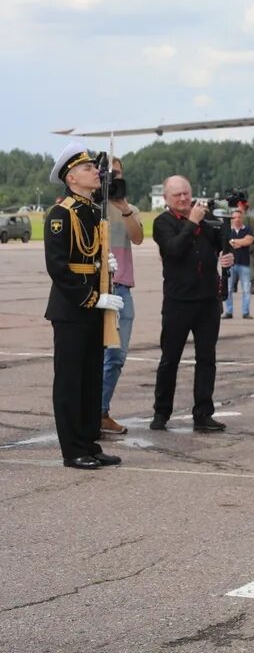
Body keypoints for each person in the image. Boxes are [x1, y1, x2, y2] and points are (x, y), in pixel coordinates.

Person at [43, 143, 124, 470]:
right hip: (73, 307)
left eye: (94, 167)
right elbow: (59, 267)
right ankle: (72, 449)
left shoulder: (91, 210)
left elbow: (89, 256)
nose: (96, 172)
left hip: (94, 305)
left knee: (90, 379)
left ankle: (89, 441)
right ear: (72, 178)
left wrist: (106, 265)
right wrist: (93, 297)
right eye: (89, 168)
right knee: (70, 381)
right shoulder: (61, 213)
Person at [151, 176, 235, 432]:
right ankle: (161, 413)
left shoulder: (205, 220)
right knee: (170, 359)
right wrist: (192, 222)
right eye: (177, 195)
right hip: (179, 301)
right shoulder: (162, 223)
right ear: (166, 198)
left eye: (186, 193)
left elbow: (222, 242)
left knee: (207, 359)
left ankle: (203, 413)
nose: (184, 199)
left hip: (207, 301)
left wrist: (226, 252)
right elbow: (174, 249)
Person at [100, 156, 144, 435]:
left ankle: (101, 411)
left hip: (122, 287)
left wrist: (124, 207)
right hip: (96, 287)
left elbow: (138, 237)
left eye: (118, 174)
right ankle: (88, 411)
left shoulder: (129, 208)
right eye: (108, 173)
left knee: (117, 356)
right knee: (95, 356)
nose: (113, 179)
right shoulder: (91, 208)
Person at [222, 208, 254, 319]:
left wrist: (233, 241)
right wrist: (241, 242)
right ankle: (229, 311)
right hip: (230, 264)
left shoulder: (247, 229)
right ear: (231, 219)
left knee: (246, 289)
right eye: (234, 217)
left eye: (239, 217)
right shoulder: (226, 230)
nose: (237, 219)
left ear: (242, 218)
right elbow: (237, 242)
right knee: (228, 288)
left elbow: (249, 241)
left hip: (244, 263)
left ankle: (246, 312)